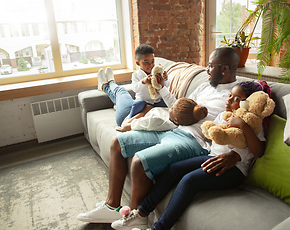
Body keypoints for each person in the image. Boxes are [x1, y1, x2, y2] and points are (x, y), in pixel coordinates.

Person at [77, 47, 240, 225]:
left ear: (224, 69)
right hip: (173, 128)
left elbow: (240, 127)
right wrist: (164, 93)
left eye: (210, 65)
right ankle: (111, 206)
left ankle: (135, 219)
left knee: (140, 161)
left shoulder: (237, 95)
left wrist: (236, 154)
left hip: (195, 142)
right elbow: (179, 106)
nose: (207, 69)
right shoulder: (204, 86)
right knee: (118, 142)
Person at [111, 81, 271, 230]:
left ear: (248, 103)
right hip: (211, 156)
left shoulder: (251, 122)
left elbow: (258, 150)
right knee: (174, 169)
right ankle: (140, 213)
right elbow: (211, 136)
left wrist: (240, 134)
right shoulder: (223, 115)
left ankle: (158, 228)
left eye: (236, 99)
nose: (229, 100)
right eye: (230, 96)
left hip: (235, 170)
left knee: (189, 181)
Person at [117, 97, 207, 133]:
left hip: (129, 116)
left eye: (172, 107)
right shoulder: (178, 118)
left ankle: (108, 84)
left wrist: (144, 111)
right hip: (146, 109)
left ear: (176, 120)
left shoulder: (157, 122)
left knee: (120, 93)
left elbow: (124, 127)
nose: (171, 105)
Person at [130, 44, 170, 118]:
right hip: (144, 101)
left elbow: (167, 85)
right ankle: (130, 119)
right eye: (146, 62)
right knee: (137, 104)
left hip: (158, 100)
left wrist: (165, 79)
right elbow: (135, 88)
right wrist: (143, 82)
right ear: (138, 63)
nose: (150, 65)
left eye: (152, 61)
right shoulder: (136, 75)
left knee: (168, 104)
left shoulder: (157, 72)